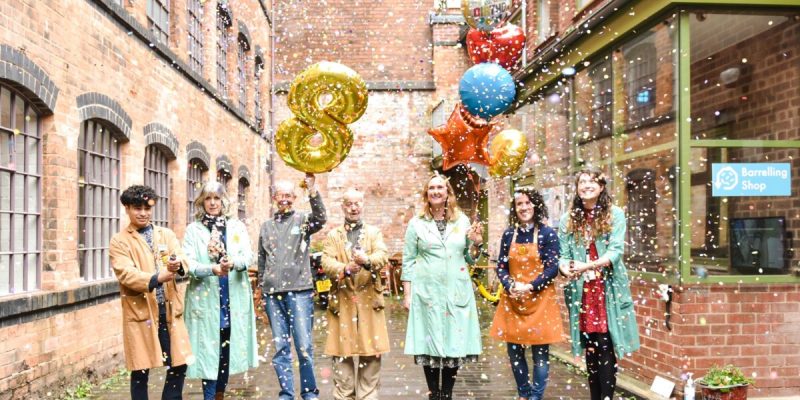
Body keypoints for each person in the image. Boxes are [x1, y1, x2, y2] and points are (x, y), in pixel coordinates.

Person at [558, 168, 640, 400]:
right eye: (582, 182)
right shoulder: (568, 219)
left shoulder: (614, 214)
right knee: (590, 345)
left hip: (607, 289)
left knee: (605, 343)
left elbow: (615, 252)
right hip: (581, 292)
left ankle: (606, 397)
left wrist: (586, 266)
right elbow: (563, 255)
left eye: (592, 182)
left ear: (602, 187)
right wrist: (565, 267)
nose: (586, 185)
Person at [401, 174, 484, 400]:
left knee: (453, 341)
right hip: (426, 291)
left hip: (456, 290)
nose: (436, 191)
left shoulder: (462, 221)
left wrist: (476, 242)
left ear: (448, 192)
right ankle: (433, 393)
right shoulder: (416, 223)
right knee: (428, 341)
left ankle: (446, 394)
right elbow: (408, 260)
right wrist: (407, 294)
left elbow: (471, 258)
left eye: (440, 187)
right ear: (426, 194)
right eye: (431, 188)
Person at [109, 185, 192, 399]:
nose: (143, 213)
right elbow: (126, 274)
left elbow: (181, 257)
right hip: (141, 314)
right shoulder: (119, 241)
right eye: (137, 208)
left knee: (179, 363)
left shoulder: (166, 234)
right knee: (140, 370)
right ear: (127, 208)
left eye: (147, 208)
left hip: (170, 311)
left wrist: (177, 265)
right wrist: (157, 278)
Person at [182, 181, 258, 400]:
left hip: (232, 298)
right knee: (209, 353)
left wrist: (233, 263)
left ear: (223, 201)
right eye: (208, 198)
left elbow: (248, 255)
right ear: (201, 202)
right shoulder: (193, 230)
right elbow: (189, 263)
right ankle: (209, 396)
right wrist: (211, 269)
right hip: (205, 300)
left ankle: (219, 395)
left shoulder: (236, 227)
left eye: (217, 198)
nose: (213, 203)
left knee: (226, 353)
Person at [258, 173, 327, 400]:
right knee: (280, 349)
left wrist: (313, 190)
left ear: (295, 197)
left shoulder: (303, 221)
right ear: (274, 197)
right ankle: (286, 393)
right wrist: (261, 287)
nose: (284, 199)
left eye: (288, 195)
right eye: (280, 195)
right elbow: (262, 260)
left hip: (300, 292)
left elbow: (321, 217)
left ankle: (309, 392)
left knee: (304, 346)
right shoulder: (266, 227)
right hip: (272, 294)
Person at [489, 188, 562, 400]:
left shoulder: (547, 234)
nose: (524, 207)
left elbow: (552, 268)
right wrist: (509, 283)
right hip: (513, 300)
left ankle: (535, 397)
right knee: (514, 352)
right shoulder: (509, 234)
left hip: (540, 301)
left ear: (536, 205)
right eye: (519, 204)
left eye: (528, 203)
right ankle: (524, 393)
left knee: (540, 354)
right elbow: (501, 266)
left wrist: (530, 286)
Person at [321, 188, 390, 400]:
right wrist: (346, 269)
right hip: (342, 303)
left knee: (371, 360)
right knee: (342, 363)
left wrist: (366, 261)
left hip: (370, 301)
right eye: (349, 203)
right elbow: (326, 261)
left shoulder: (373, 233)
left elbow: (382, 255)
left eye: (357, 203)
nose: (353, 207)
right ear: (343, 207)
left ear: (363, 205)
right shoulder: (334, 235)